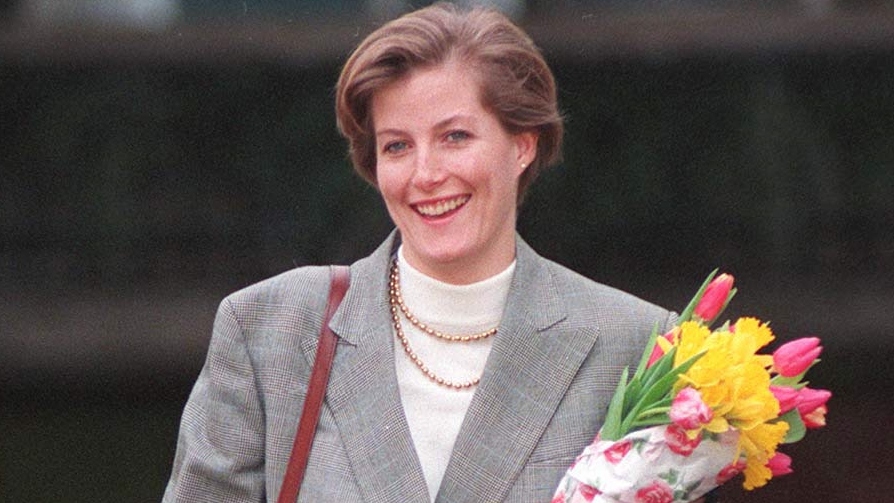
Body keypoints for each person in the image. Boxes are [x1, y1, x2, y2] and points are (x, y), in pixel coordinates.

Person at [162, 3, 683, 502]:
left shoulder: (636, 346)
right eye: (397, 146)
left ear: (522, 145)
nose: (426, 175)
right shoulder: (268, 331)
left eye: (455, 136)